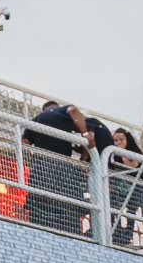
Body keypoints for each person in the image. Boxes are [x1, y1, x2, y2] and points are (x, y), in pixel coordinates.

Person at [22, 99, 94, 233]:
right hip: (61, 167)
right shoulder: (62, 111)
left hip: (39, 168)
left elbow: (24, 143)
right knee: (67, 208)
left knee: (38, 209)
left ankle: (38, 230)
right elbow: (73, 111)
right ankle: (70, 233)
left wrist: (30, 161)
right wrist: (85, 134)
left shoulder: (34, 120)